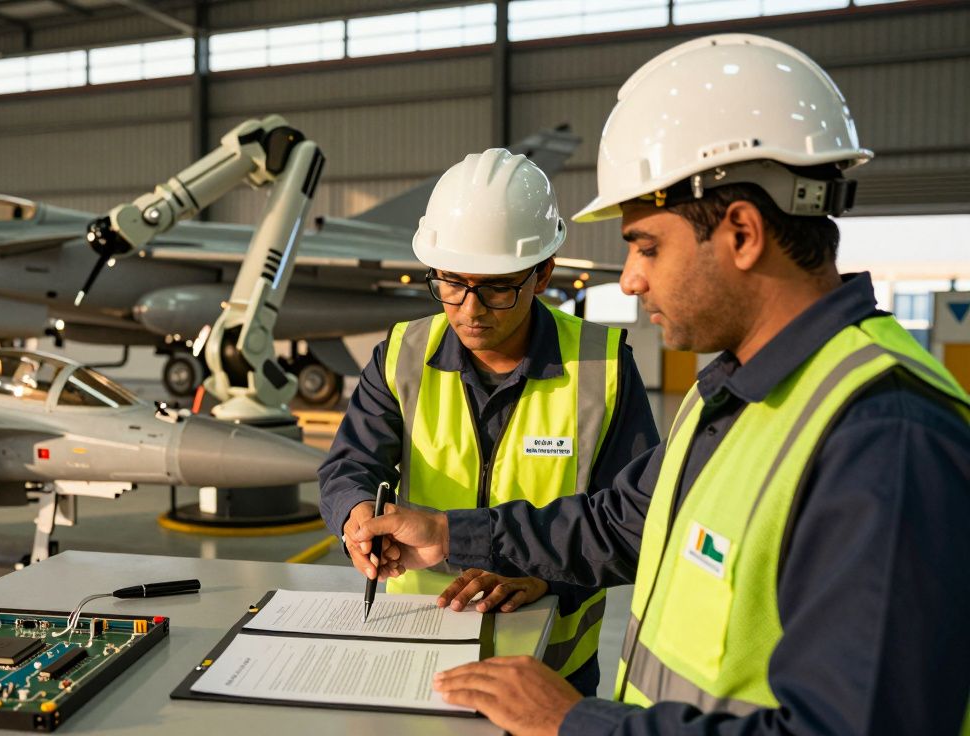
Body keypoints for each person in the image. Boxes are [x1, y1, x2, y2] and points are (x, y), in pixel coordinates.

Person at [352, 34, 970, 735]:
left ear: (741, 232)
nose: (630, 278)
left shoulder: (884, 439)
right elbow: (613, 524)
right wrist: (444, 532)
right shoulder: (734, 397)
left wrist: (579, 722)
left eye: (647, 245)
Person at [319, 148, 658, 696]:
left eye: (497, 287)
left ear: (543, 272)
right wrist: (355, 516)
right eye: (451, 282)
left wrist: (544, 576)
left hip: (549, 670)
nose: (469, 309)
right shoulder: (402, 354)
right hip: (418, 647)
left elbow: (634, 525)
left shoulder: (603, 367)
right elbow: (349, 464)